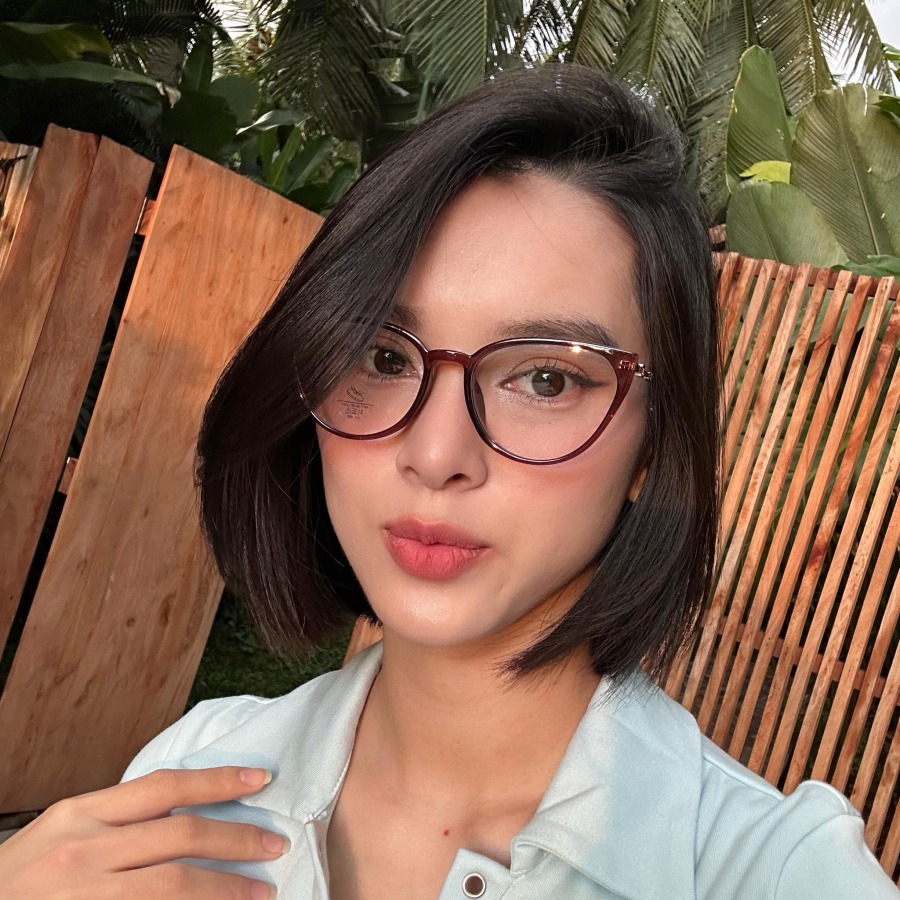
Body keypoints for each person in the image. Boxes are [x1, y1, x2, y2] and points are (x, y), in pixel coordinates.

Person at [0, 65, 896, 899]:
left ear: (654, 448)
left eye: (546, 378)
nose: (434, 454)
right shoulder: (187, 774)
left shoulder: (778, 872)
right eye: (383, 357)